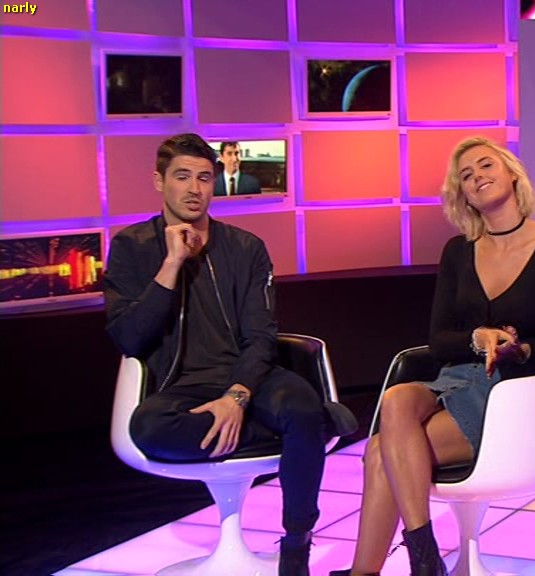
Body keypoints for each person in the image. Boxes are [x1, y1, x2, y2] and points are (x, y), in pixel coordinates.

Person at [330, 137, 535, 576]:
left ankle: (389, 569)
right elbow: (438, 340)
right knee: (396, 398)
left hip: (510, 393)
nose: (477, 177)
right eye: (466, 176)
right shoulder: (458, 251)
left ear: (512, 174)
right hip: (454, 378)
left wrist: (522, 348)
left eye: (486, 166)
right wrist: (476, 337)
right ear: (463, 195)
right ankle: (423, 558)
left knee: (379, 452)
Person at [103, 133, 357, 576]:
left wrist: (236, 397)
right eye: (182, 177)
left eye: (204, 178)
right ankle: (312, 427)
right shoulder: (132, 247)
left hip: (249, 378)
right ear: (159, 181)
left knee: (298, 403)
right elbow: (130, 339)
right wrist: (171, 264)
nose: (194, 189)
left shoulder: (245, 248)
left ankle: (296, 543)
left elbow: (261, 335)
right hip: (180, 388)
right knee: (148, 429)